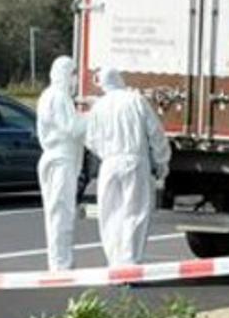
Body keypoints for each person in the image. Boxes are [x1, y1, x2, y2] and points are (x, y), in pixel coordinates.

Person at [84, 68, 171, 266]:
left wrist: (106, 154)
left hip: (109, 164)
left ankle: (114, 262)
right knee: (135, 213)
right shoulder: (135, 100)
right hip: (135, 161)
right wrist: (161, 161)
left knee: (110, 213)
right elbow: (156, 133)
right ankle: (130, 262)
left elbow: (90, 139)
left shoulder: (99, 106)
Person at [37, 57, 86, 271]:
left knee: (57, 211)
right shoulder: (58, 97)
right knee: (61, 211)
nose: (75, 79)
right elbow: (73, 128)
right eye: (73, 73)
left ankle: (59, 260)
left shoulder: (50, 95)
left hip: (56, 157)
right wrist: (94, 117)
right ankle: (61, 263)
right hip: (61, 158)